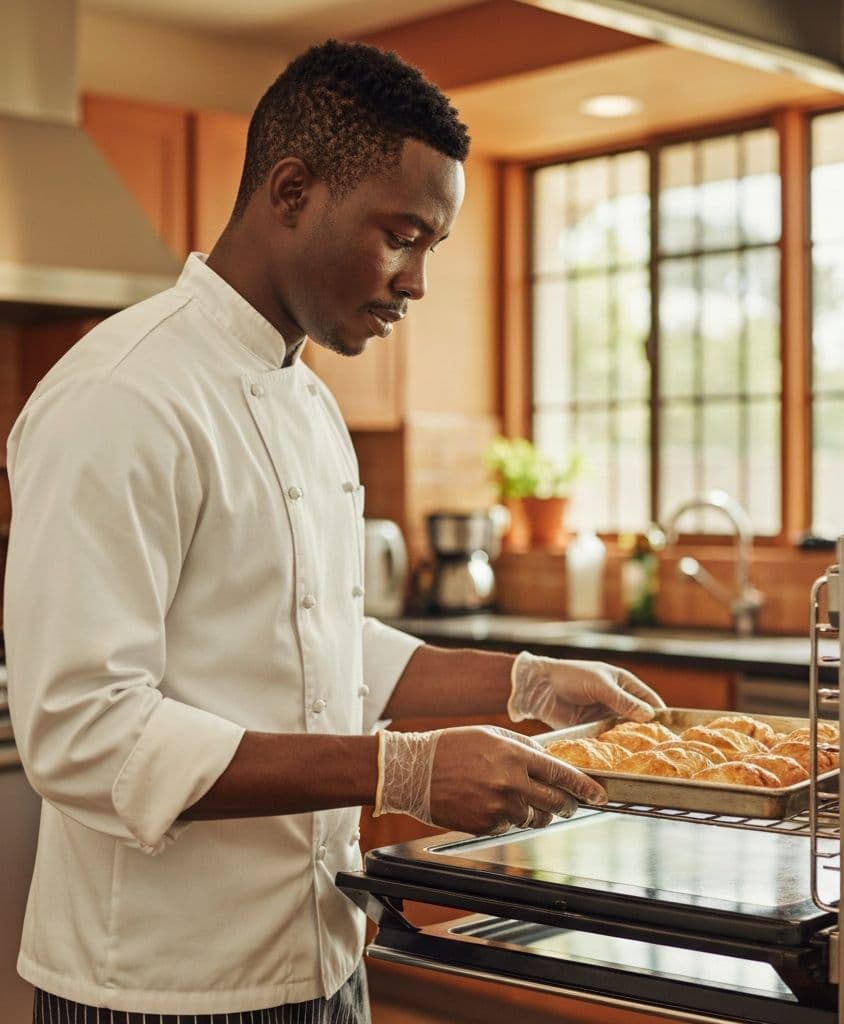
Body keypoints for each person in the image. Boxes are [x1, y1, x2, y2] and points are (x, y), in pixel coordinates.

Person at [3, 40, 665, 1024]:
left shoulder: (308, 403)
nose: (417, 280)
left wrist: (522, 680)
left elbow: (309, 640)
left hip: (321, 950)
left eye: (430, 245)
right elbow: (82, 734)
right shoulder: (120, 396)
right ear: (291, 191)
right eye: (401, 234)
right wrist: (400, 769)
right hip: (156, 984)